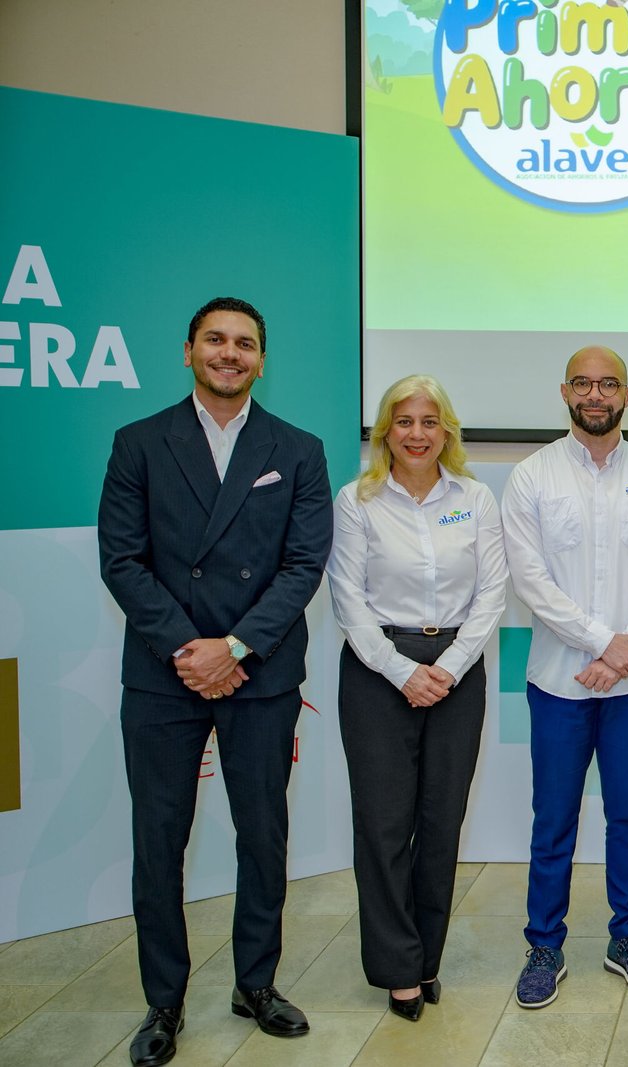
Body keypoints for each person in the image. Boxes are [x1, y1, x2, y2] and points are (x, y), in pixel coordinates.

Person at [98, 297, 332, 1067]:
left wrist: (233, 648)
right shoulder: (138, 442)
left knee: (262, 836)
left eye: (245, 343)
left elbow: (304, 564)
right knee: (158, 841)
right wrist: (189, 650)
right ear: (189, 350)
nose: (229, 353)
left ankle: (255, 983)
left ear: (262, 360)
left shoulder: (297, 449)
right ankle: (163, 1000)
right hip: (163, 674)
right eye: (215, 339)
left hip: (259, 672)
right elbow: (122, 559)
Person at [502, 346, 628, 1009]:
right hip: (559, 680)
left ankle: (627, 937)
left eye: (608, 384)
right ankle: (544, 945)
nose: (595, 394)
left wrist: (627, 649)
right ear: (565, 392)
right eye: (583, 383)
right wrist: (607, 643)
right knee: (553, 819)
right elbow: (530, 580)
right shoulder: (531, 476)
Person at [326, 374, 507, 1021]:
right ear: (385, 431)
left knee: (440, 821)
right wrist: (402, 670)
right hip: (378, 671)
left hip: (458, 668)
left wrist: (449, 667)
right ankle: (397, 968)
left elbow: (492, 593)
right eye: (404, 421)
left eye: (430, 421)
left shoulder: (476, 498)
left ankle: (426, 956)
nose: (417, 433)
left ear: (447, 431)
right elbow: (347, 597)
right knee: (382, 825)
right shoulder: (357, 500)